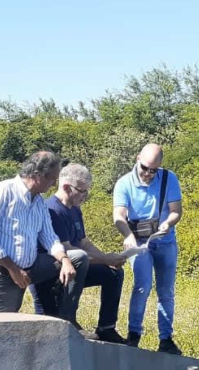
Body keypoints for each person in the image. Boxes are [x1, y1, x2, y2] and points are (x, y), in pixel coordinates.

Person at [0, 151, 88, 322]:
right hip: (2, 270)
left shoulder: (39, 202)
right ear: (37, 175)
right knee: (6, 326)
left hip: (31, 267)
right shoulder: (1, 192)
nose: (54, 185)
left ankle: (66, 320)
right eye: (52, 179)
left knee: (78, 257)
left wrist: (65, 260)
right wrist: (14, 269)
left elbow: (50, 238)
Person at [30, 163, 127, 343]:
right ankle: (68, 318)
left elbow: (83, 242)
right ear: (67, 187)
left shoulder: (74, 208)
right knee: (47, 332)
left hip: (75, 271)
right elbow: (70, 251)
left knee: (113, 273)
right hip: (52, 275)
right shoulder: (53, 210)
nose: (85, 196)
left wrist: (108, 260)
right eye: (82, 191)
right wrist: (106, 258)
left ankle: (107, 327)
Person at [113, 143, 183, 354]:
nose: (148, 174)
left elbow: (176, 211)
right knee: (142, 286)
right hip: (139, 242)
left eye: (154, 170)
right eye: (145, 168)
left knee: (166, 291)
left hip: (164, 240)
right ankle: (134, 335)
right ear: (137, 159)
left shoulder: (169, 178)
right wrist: (127, 235)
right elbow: (119, 215)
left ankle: (166, 339)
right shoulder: (124, 183)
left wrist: (168, 223)